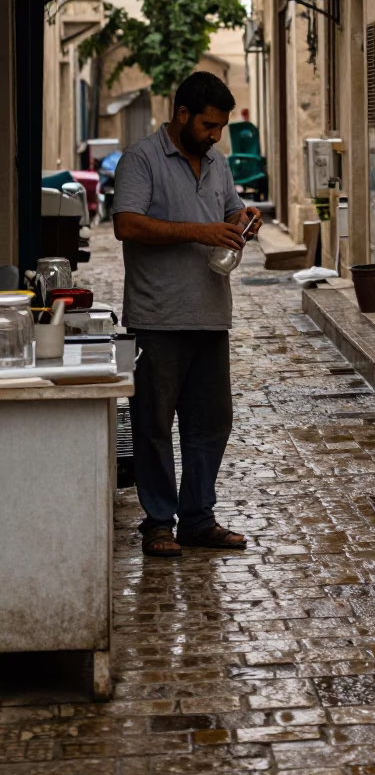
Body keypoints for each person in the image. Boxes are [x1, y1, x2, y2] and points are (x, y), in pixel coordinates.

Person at [113, 71, 262, 558]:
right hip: (157, 317)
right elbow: (127, 225)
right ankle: (158, 523)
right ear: (181, 115)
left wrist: (244, 221)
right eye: (208, 125)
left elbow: (230, 212)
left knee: (211, 424)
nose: (216, 136)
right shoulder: (141, 159)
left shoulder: (217, 163)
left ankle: (198, 519)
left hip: (210, 314)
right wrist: (199, 231)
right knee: (154, 426)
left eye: (220, 127)